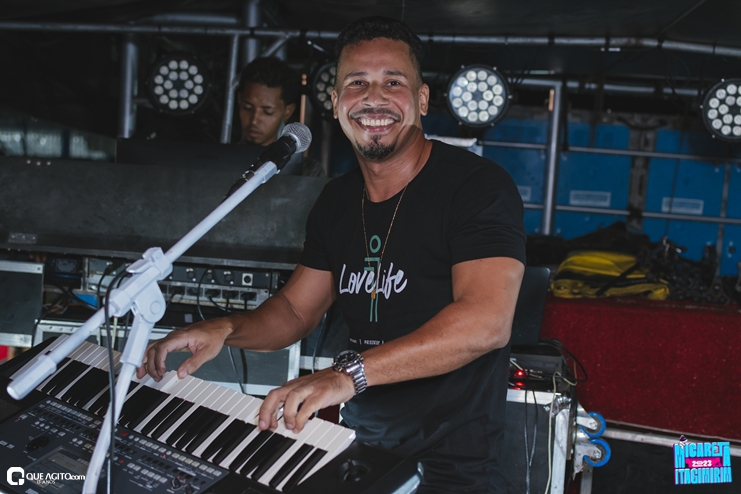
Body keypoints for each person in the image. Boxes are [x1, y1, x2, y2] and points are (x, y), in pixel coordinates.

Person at [139, 16, 526, 493]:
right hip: (363, 449)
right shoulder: (337, 201)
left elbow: (486, 322)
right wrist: (227, 328)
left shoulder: (476, 186)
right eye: (357, 83)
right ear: (337, 101)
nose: (374, 98)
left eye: (393, 82)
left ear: (422, 99)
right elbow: (295, 310)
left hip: (453, 468)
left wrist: (348, 375)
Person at [236, 56, 323, 176]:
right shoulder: (219, 160)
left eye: (268, 111)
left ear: (288, 111)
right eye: (247, 107)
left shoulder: (308, 171)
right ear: (239, 100)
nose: (254, 120)